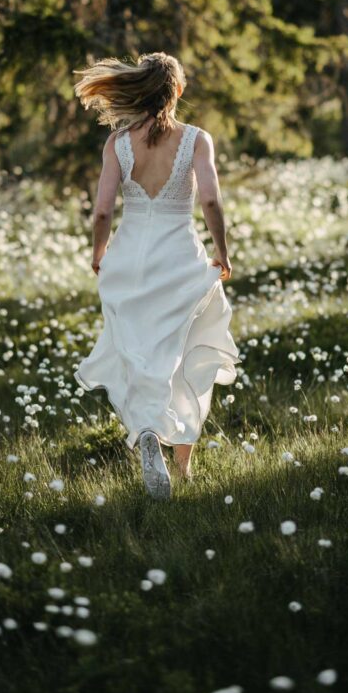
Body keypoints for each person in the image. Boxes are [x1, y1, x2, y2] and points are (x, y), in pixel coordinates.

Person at [72, 52, 240, 500]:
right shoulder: (196, 139)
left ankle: (147, 430)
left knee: (139, 351)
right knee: (184, 356)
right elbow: (211, 202)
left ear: (141, 89)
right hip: (179, 260)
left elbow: (104, 209)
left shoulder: (117, 145)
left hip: (130, 261)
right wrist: (222, 253)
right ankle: (180, 464)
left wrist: (99, 254)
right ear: (178, 91)